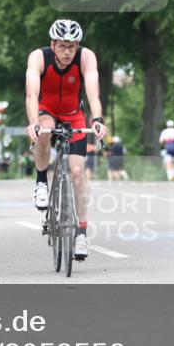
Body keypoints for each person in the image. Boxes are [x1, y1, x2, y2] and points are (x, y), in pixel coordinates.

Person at [25, 19, 107, 261]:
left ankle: (81, 232)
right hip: (46, 111)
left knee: (78, 172)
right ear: (53, 44)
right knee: (44, 131)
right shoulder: (38, 57)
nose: (68, 52)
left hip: (74, 115)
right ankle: (41, 182)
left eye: (72, 47)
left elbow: (93, 92)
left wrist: (97, 119)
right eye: (62, 46)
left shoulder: (86, 57)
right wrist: (34, 122)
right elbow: (31, 94)